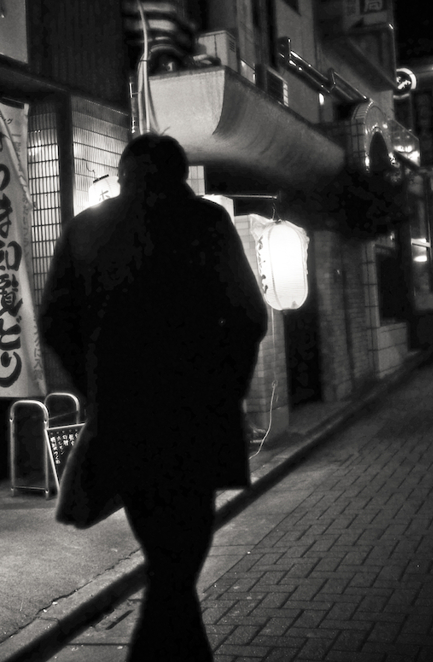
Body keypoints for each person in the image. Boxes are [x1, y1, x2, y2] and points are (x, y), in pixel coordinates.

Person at [40, 133, 268, 661]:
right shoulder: (208, 223)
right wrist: (224, 385)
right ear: (180, 174)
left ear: (124, 175)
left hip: (125, 421)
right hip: (198, 419)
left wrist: (95, 384)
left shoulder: (88, 227)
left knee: (168, 562)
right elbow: (249, 318)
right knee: (177, 561)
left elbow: (54, 321)